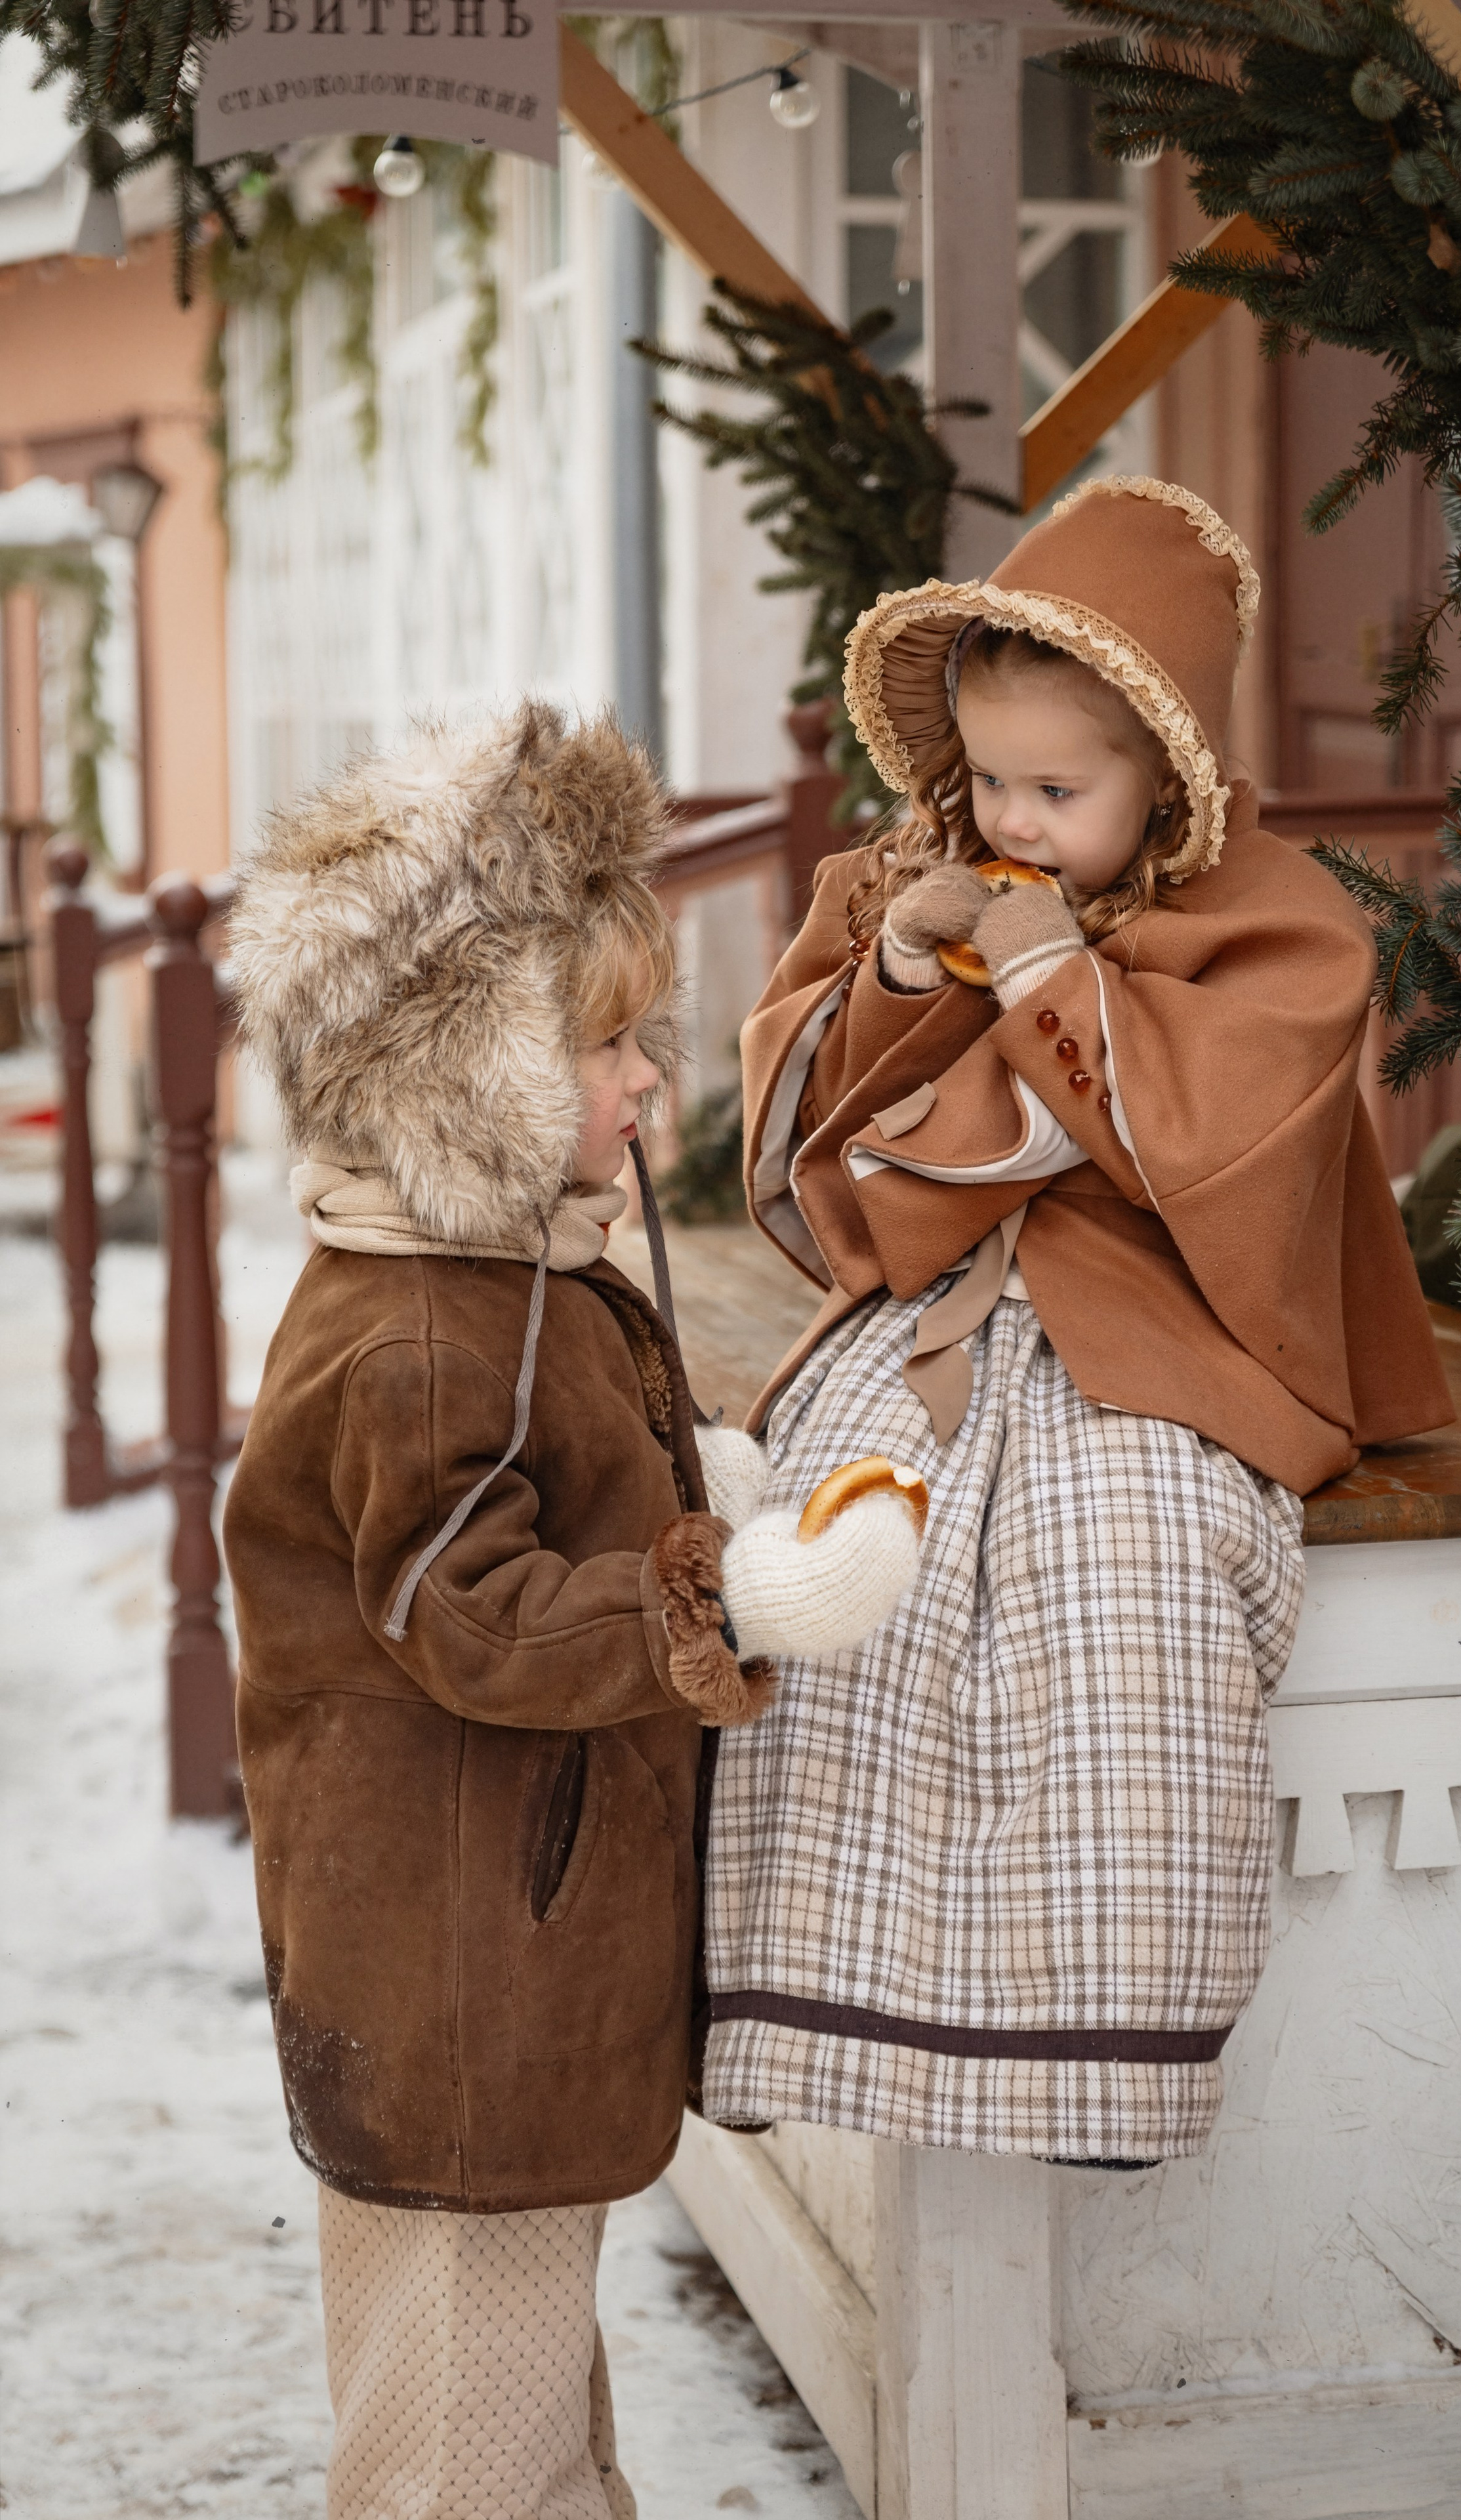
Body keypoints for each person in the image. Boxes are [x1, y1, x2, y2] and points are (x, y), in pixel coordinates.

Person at [699, 477, 1454, 2169]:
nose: (1014, 821)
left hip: (1159, 1328)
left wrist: (1057, 981)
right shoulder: (925, 874)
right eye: (988, 779)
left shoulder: (1279, 925)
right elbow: (807, 1118)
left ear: (1168, 779)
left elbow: (1211, 1157)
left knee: (1132, 1570)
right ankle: (816, 2006)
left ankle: (1093, 2052)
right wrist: (901, 965)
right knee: (846, 1559)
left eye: (1063, 787)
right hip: (937, 1312)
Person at [221, 702, 921, 2520]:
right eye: (605, 1046)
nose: (645, 1088)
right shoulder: (425, 1329)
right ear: (468, 1079)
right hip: (458, 1974)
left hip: (495, 1967)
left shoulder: (505, 1277)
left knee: (526, 2406)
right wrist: (736, 1588)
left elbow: (567, 1479)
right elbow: (476, 1611)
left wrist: (712, 1478)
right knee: (465, 2448)